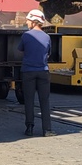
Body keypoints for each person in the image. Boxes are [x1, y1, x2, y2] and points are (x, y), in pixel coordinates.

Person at [18, 8, 54, 137]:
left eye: (28, 20)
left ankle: (29, 128)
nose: (27, 23)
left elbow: (21, 50)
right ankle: (47, 130)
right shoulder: (47, 37)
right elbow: (48, 54)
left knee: (29, 100)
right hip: (43, 72)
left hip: (28, 72)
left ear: (33, 21)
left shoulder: (26, 35)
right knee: (44, 101)